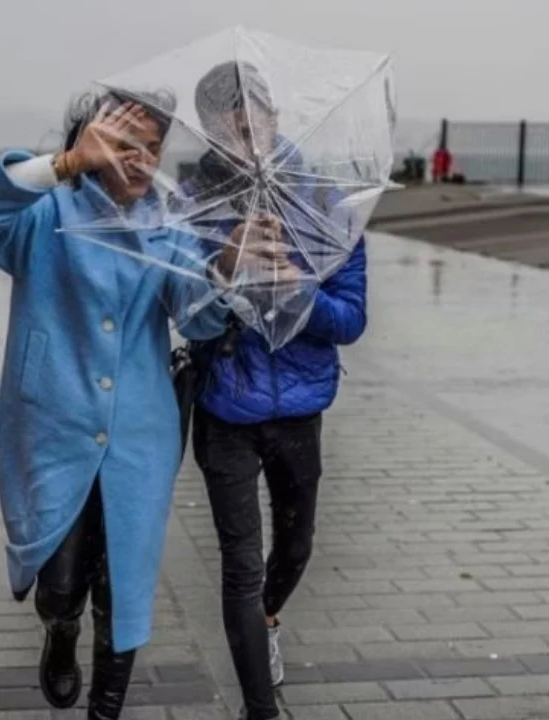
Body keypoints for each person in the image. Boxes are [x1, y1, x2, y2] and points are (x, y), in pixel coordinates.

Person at [0, 93, 263, 720]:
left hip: (138, 435)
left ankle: (107, 709)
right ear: (93, 141)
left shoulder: (168, 226)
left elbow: (199, 319)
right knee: (63, 580)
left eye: (153, 148)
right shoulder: (47, 215)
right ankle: (60, 631)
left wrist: (227, 271)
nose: (142, 159)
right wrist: (68, 162)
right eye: (126, 144)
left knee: (121, 585)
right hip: (52, 420)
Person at [183, 62, 368, 720]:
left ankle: (267, 621)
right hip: (224, 406)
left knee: (295, 546)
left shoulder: (323, 202)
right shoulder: (194, 200)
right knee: (240, 562)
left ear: (271, 115)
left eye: (250, 108)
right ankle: (260, 709)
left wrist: (297, 291)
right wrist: (223, 267)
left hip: (299, 409)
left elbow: (351, 321)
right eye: (224, 114)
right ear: (209, 128)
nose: (240, 122)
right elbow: (185, 315)